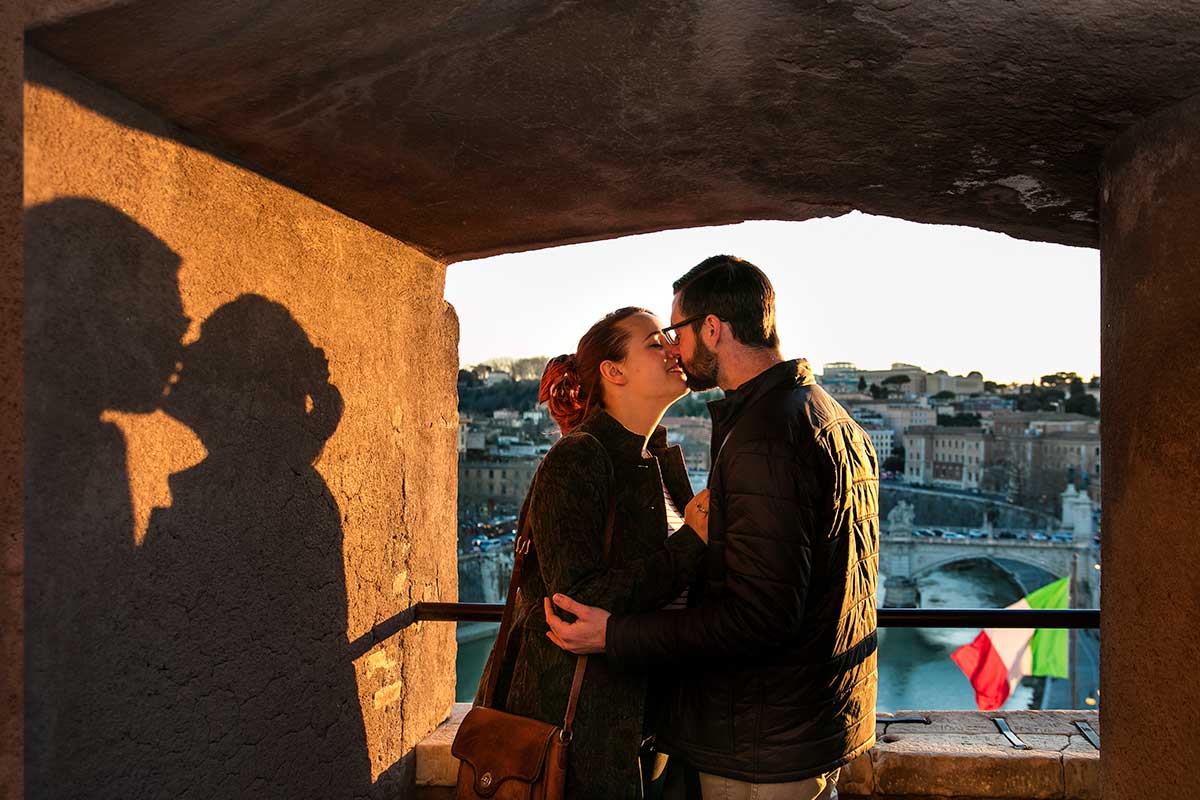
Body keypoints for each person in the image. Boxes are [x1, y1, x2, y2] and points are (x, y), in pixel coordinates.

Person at [545, 257, 880, 800]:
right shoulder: (827, 416)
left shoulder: (765, 434)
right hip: (793, 726)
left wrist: (617, 634)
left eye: (674, 333)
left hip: (761, 742)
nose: (674, 348)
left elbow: (759, 616)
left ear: (712, 328)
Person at [482, 306, 712, 800]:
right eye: (655, 343)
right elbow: (578, 598)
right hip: (581, 733)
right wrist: (693, 540)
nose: (674, 350)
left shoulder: (657, 460)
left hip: (654, 727)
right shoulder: (579, 457)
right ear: (614, 371)